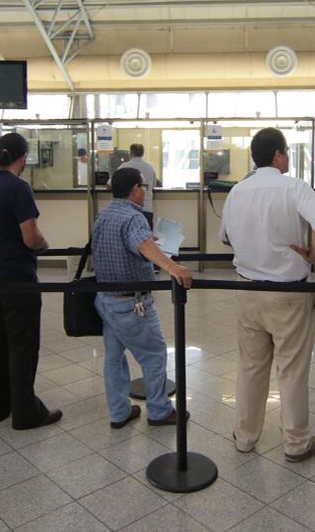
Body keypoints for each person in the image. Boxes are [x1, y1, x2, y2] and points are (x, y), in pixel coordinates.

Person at [220, 127, 315, 462]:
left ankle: (245, 436)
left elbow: (225, 238)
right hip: (288, 293)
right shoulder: (295, 187)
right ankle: (296, 443)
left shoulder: (237, 191)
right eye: (286, 152)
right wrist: (314, 256)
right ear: (278, 155)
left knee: (251, 365)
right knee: (292, 368)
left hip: (246, 289)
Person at [0, 132, 61, 430]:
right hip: (17, 277)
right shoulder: (19, 188)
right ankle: (25, 412)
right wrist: (44, 244)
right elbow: (30, 237)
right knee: (22, 345)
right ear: (23, 158)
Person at [91, 167, 194, 428]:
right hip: (131, 304)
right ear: (136, 189)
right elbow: (143, 245)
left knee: (114, 358)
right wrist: (173, 267)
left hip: (106, 299)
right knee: (154, 355)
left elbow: (133, 245)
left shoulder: (103, 215)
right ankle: (159, 411)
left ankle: (119, 412)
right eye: (143, 187)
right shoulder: (133, 216)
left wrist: (150, 243)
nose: (144, 192)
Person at [117, 144, 157, 229]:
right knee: (146, 235)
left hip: (126, 210)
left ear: (130, 153)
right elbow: (153, 186)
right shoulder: (150, 168)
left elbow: (111, 184)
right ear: (143, 153)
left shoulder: (123, 167)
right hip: (146, 209)